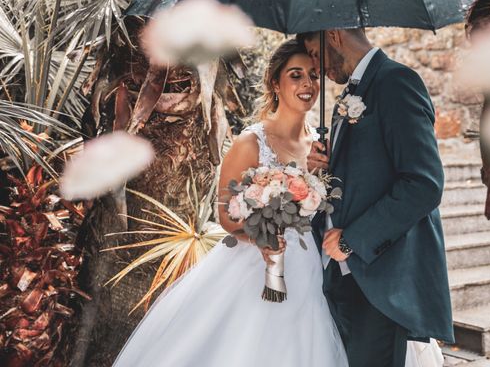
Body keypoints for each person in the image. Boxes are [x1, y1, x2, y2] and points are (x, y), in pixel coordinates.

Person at [112, 38, 443, 367]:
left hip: (319, 268)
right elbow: (226, 214)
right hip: (260, 266)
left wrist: (315, 177)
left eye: (314, 74)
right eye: (296, 75)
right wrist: (262, 232)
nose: (308, 84)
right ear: (275, 82)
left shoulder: (323, 143)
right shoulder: (251, 141)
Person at [302, 29, 453, 367]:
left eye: (315, 53)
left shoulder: (396, 82)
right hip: (348, 276)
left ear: (336, 36)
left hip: (383, 275)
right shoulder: (352, 94)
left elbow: (423, 183)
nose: (315, 66)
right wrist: (325, 165)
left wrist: (352, 240)